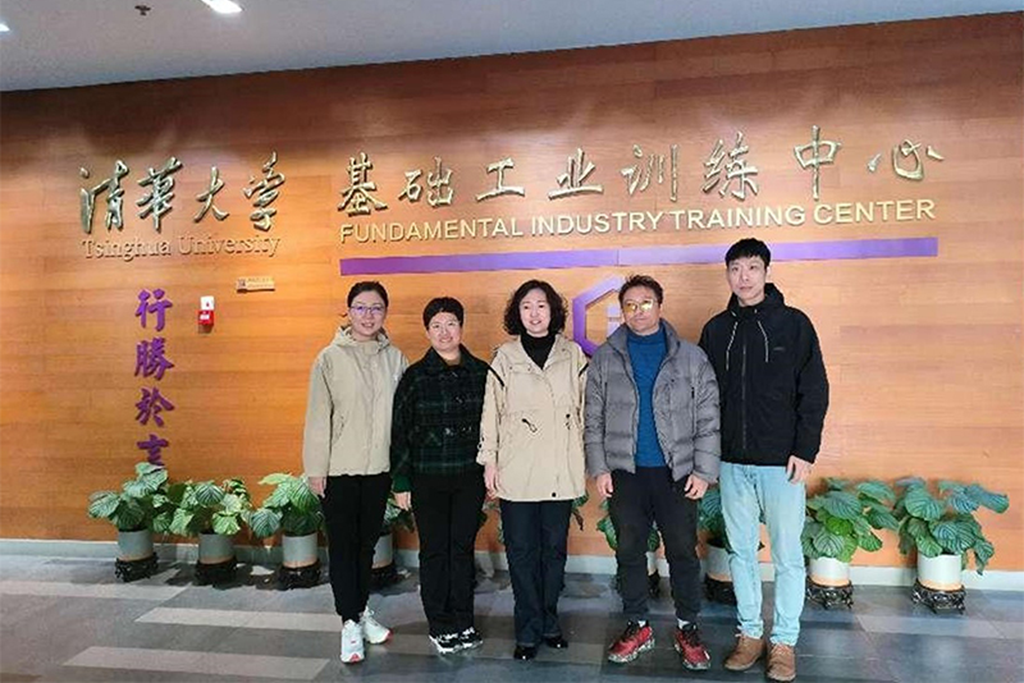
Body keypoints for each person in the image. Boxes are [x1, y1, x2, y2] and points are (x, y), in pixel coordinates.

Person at [698, 239, 829, 683]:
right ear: (728, 274)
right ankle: (750, 634)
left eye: (752, 267)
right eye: (736, 268)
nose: (744, 277)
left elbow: (814, 391)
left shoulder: (794, 325)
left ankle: (784, 642)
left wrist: (805, 450)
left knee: (788, 555)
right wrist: (708, 456)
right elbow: (704, 399)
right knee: (741, 552)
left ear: (766, 272)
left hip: (782, 464)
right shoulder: (717, 330)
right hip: (732, 462)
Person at [585, 274, 720, 671]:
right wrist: (599, 468)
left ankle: (687, 627)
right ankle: (638, 624)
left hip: (677, 473)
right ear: (621, 311)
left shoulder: (691, 357)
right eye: (629, 304)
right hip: (625, 473)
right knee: (629, 551)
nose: (638, 311)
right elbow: (593, 417)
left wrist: (703, 471)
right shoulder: (606, 357)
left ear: (660, 306)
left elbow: (709, 417)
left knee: (682, 552)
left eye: (646, 303)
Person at [477, 279, 587, 661]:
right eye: (526, 306)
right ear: (517, 313)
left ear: (553, 311)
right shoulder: (505, 358)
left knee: (553, 553)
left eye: (541, 305)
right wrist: (489, 461)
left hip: (559, 469)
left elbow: (587, 410)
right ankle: (527, 629)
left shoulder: (573, 355)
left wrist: (587, 459)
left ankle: (550, 622)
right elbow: (490, 413)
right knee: (522, 554)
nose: (534, 313)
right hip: (517, 471)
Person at [302, 281, 409, 664]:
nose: (368, 315)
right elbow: (318, 418)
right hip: (339, 471)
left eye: (376, 308)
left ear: (385, 313)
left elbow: (403, 422)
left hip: (378, 470)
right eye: (360, 307)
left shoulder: (396, 359)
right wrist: (316, 469)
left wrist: (402, 474)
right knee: (344, 548)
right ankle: (348, 622)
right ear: (348, 312)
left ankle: (361, 611)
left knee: (366, 547)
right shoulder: (329, 358)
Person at [390, 297, 490, 656]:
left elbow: (494, 428)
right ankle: (440, 624)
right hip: (427, 477)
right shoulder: (415, 377)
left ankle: (464, 619)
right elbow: (399, 432)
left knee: (461, 549)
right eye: (436, 326)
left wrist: (492, 473)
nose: (444, 332)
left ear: (461, 327)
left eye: (451, 324)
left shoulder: (481, 373)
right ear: (427, 331)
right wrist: (401, 482)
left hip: (469, 478)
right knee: (434, 551)